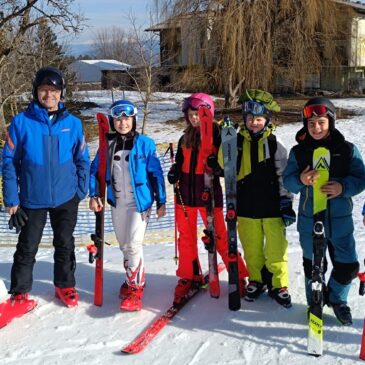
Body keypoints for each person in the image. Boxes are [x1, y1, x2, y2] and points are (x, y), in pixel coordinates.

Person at [2, 66, 90, 308]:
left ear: (62, 93)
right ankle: (19, 292)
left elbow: (83, 159)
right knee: (27, 246)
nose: (49, 95)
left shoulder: (73, 124)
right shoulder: (21, 122)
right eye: (43, 90)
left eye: (54, 90)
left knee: (65, 243)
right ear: (36, 92)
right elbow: (9, 161)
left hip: (66, 197)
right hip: (32, 198)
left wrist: (80, 191)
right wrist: (11, 198)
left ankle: (65, 285)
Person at [283, 96, 365, 325]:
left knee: (348, 267)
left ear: (331, 122)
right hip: (310, 222)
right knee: (313, 267)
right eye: (311, 124)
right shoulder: (298, 153)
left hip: (341, 222)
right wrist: (300, 179)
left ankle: (337, 299)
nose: (316, 128)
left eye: (321, 122)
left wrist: (343, 187)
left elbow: (361, 178)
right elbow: (288, 181)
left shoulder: (347, 150)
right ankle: (315, 302)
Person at [167, 92, 248, 306]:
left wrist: (218, 165)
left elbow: (228, 167)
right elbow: (182, 161)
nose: (194, 118)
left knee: (221, 237)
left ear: (209, 113)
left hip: (210, 195)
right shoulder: (185, 137)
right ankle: (189, 275)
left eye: (198, 114)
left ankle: (238, 275)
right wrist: (174, 170)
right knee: (185, 239)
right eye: (191, 114)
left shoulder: (218, 135)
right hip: (184, 196)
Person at [89, 100, 166, 311]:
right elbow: (95, 171)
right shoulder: (107, 144)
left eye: (127, 119)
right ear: (113, 121)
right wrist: (94, 194)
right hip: (117, 201)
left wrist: (161, 201)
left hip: (139, 202)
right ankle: (134, 276)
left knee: (133, 244)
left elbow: (156, 173)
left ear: (134, 120)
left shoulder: (145, 143)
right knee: (124, 245)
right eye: (118, 119)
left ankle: (135, 289)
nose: (123, 123)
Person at [232, 89, 295, 308]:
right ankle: (257, 280)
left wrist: (286, 202)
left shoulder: (276, 146)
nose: (254, 123)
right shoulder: (236, 143)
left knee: (276, 248)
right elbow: (225, 166)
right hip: (246, 207)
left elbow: (284, 177)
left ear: (267, 120)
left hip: (272, 207)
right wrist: (226, 139)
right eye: (250, 119)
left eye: (259, 119)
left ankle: (279, 284)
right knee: (252, 247)